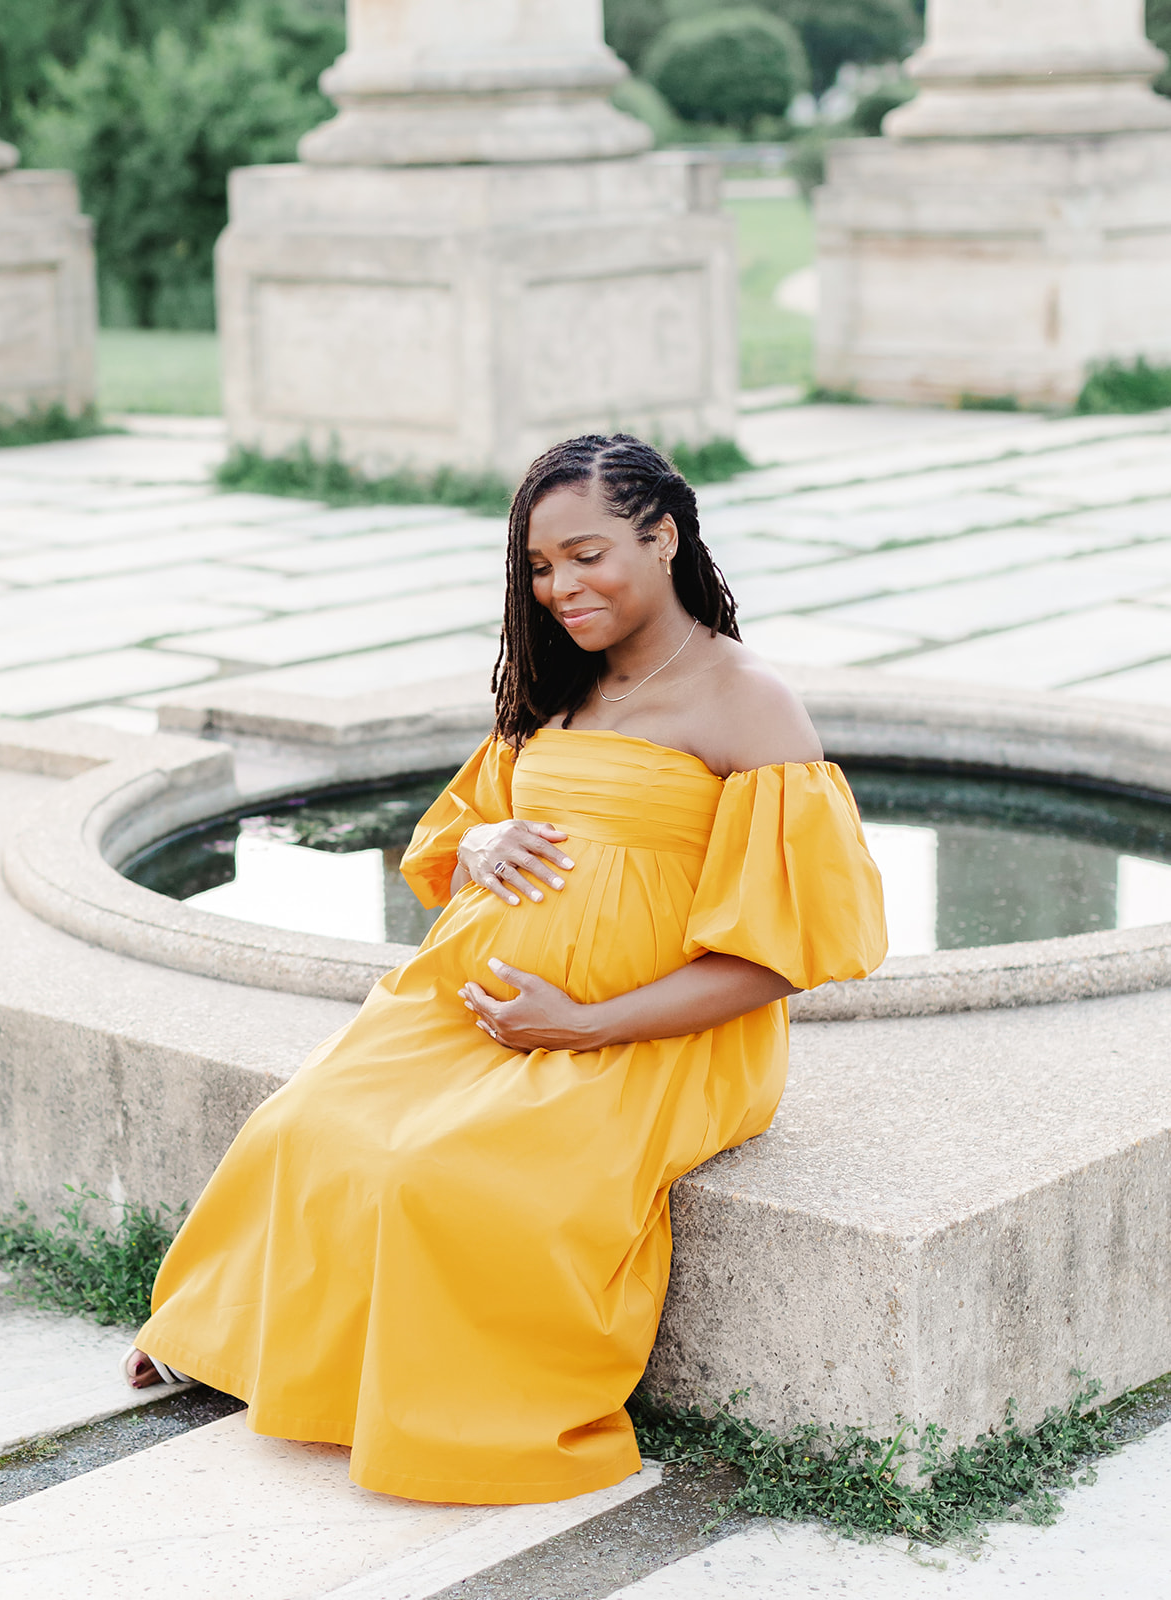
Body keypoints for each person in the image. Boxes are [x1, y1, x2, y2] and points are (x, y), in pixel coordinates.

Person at [124, 433, 887, 1505]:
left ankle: (443, 1418)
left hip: (651, 1033)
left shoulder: (744, 698)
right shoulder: (557, 681)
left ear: (661, 535)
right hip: (473, 1003)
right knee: (306, 1124)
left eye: (587, 555)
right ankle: (244, 1345)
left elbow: (783, 957)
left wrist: (585, 1021)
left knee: (436, 1173)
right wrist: (481, 843)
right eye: (539, 567)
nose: (561, 587)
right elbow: (461, 831)